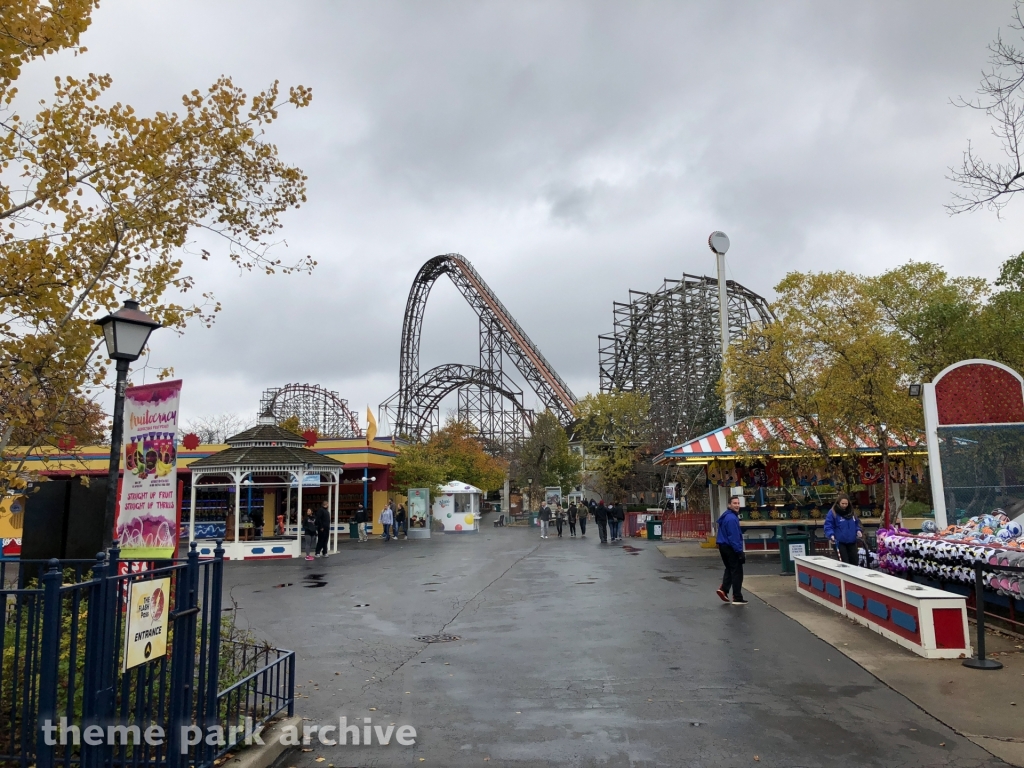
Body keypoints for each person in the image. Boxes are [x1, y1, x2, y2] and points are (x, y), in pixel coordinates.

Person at [716, 495, 747, 605]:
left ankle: (724, 589)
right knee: (737, 571)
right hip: (730, 547)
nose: (737, 505)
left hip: (722, 546)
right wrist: (739, 552)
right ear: (729, 505)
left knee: (729, 568)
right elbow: (733, 537)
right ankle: (737, 596)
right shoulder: (732, 519)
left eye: (738, 503)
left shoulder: (726, 516)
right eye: (734, 503)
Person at [824, 492, 863, 565]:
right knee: (845, 563)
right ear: (838, 503)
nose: (844, 505)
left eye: (846, 504)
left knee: (855, 561)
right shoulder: (833, 512)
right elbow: (828, 525)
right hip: (839, 542)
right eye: (842, 504)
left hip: (852, 541)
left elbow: (857, 523)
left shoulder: (852, 512)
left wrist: (858, 530)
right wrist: (831, 534)